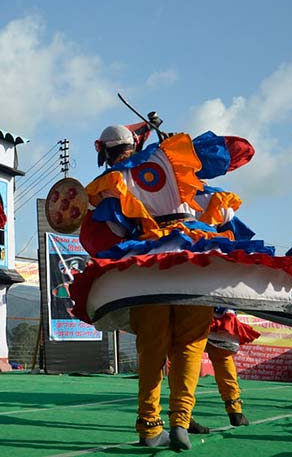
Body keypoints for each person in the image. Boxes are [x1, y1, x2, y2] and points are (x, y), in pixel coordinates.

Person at [79, 124, 255, 451]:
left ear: (105, 150)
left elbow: (107, 230)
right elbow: (220, 200)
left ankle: (149, 424)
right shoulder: (174, 160)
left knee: (153, 345)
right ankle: (181, 422)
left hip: (148, 267)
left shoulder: (112, 182)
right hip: (193, 259)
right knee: (189, 343)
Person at [188, 308, 259, 434]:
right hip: (216, 308)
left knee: (186, 355)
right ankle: (235, 410)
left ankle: (181, 417)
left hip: (190, 307)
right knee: (222, 358)